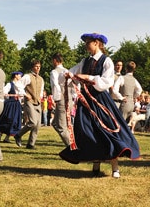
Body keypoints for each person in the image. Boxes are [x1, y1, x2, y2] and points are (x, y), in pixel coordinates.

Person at [59, 33, 140, 178]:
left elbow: (106, 81)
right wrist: (67, 75)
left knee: (108, 132)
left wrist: (88, 77)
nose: (85, 44)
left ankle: (115, 167)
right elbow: (72, 72)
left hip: (101, 101)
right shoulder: (85, 61)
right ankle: (96, 163)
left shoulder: (106, 61)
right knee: (89, 132)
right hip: (86, 102)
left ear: (96, 43)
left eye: (88, 42)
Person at [14, 60, 44, 149]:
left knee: (38, 125)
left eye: (39, 66)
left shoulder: (41, 79)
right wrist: (25, 94)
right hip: (29, 102)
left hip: (38, 102)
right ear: (32, 67)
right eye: (36, 66)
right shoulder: (28, 76)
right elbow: (18, 84)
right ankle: (18, 135)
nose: (38, 68)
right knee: (33, 122)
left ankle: (31, 144)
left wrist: (40, 97)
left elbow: (41, 90)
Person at [50, 53, 73, 146]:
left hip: (62, 99)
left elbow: (56, 85)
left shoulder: (54, 72)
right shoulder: (67, 71)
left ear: (55, 60)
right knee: (55, 123)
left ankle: (72, 147)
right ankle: (72, 142)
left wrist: (56, 99)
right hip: (70, 99)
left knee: (61, 127)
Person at [0, 71, 24, 143]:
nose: (20, 77)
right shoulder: (9, 84)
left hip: (17, 104)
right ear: (15, 75)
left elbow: (22, 94)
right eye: (19, 75)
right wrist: (11, 96)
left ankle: (7, 137)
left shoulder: (20, 85)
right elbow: (4, 93)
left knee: (15, 121)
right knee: (7, 119)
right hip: (10, 104)